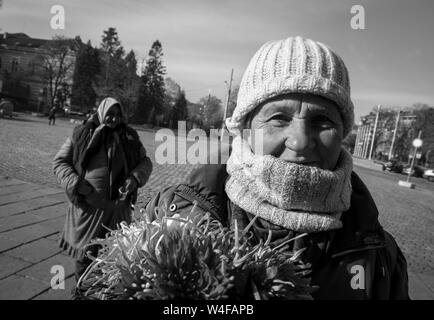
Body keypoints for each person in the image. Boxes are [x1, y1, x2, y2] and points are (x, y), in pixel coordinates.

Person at [142, 36, 409, 299]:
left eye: (322, 120)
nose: (300, 141)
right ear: (245, 129)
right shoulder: (171, 218)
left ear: (342, 133)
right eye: (279, 118)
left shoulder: (380, 257)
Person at [53, 97, 153, 289]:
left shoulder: (129, 137)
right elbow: (59, 163)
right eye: (110, 114)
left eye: (118, 115)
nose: (114, 119)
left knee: (112, 260)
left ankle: (102, 293)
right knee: (85, 258)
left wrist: (134, 178)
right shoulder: (81, 134)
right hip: (88, 211)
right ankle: (81, 292)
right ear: (100, 113)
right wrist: (76, 183)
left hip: (117, 212)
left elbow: (145, 162)